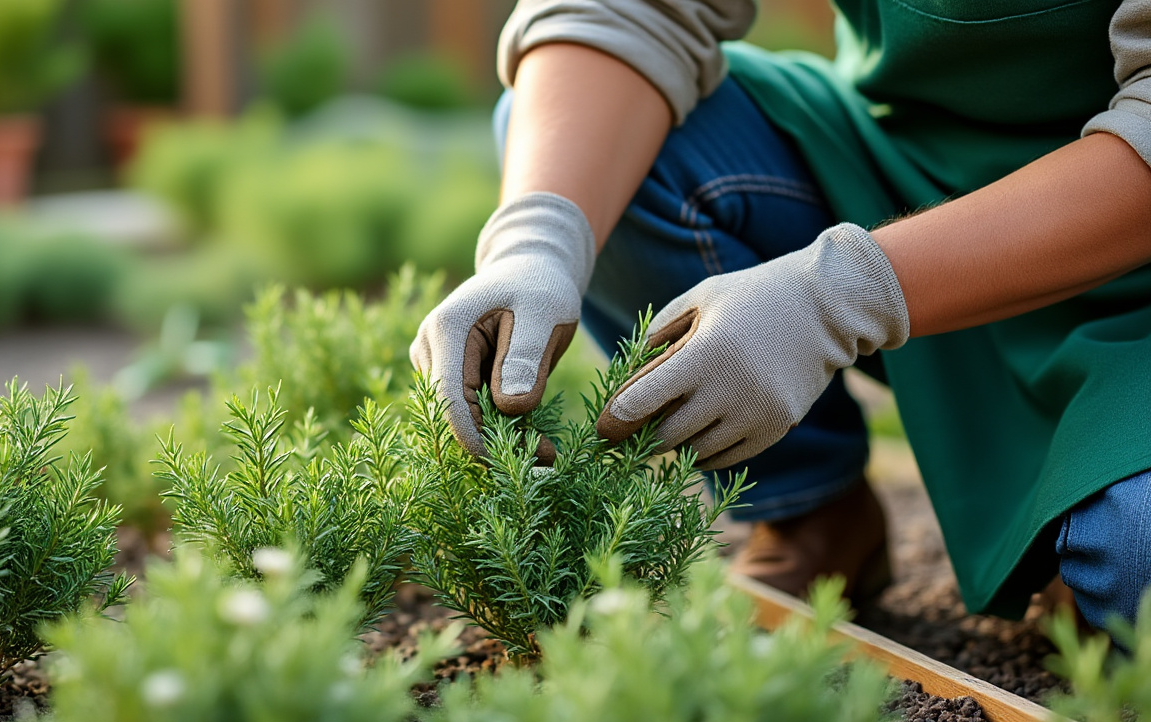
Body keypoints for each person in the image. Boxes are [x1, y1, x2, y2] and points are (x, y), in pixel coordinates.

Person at [409, 0, 1151, 631]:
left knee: (1136, 559)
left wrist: (837, 295)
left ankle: (1085, 531)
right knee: (607, 155)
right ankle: (814, 510)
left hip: (1124, 243)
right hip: (910, 188)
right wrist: (536, 239)